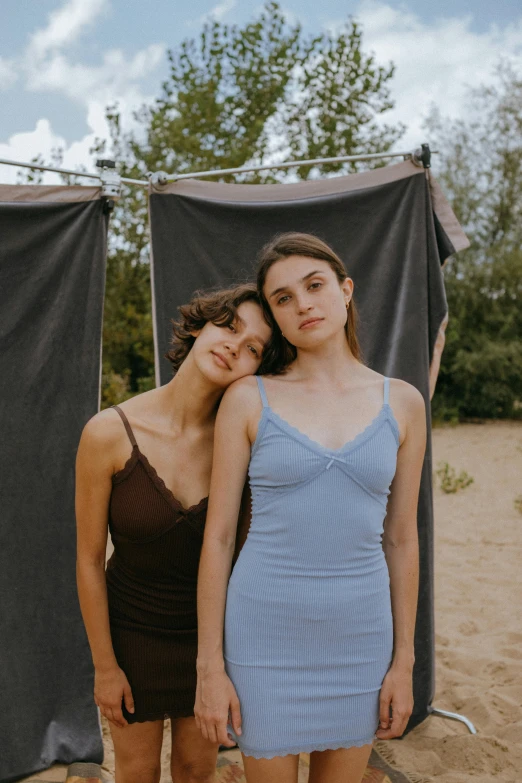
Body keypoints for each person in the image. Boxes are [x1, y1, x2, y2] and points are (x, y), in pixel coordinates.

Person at [195, 233, 427, 783]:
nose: (302, 303)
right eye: (282, 298)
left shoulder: (404, 402)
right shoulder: (250, 398)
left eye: (314, 286)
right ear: (275, 318)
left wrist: (403, 661)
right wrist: (210, 668)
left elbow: (401, 538)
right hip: (262, 636)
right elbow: (220, 538)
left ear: (346, 291)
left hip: (360, 639)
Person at [75, 283, 278, 783]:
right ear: (198, 326)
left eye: (254, 347)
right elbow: (87, 560)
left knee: (195, 771)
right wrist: (105, 666)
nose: (236, 345)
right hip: (132, 637)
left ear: (259, 369)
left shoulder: (247, 442)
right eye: (229, 326)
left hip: (209, 640)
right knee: (138, 771)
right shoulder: (107, 432)